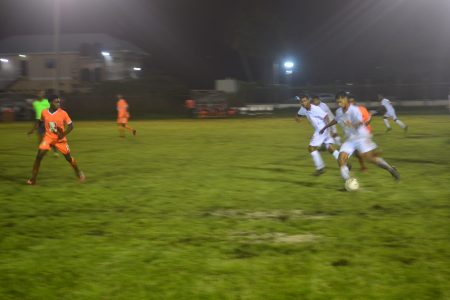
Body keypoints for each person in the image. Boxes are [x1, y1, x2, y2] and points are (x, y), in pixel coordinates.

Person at [319, 92, 400, 183]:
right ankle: (348, 182)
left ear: (345, 99)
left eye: (340, 101)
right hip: (350, 139)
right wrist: (325, 127)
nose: (339, 103)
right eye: (337, 102)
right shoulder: (339, 111)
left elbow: (360, 123)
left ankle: (390, 169)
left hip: (361, 137)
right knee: (341, 158)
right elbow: (336, 119)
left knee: (370, 159)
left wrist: (351, 124)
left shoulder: (354, 110)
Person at [27, 95, 85, 185]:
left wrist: (63, 134)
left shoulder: (63, 113)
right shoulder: (44, 112)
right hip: (48, 138)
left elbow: (71, 126)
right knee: (38, 156)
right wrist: (33, 130)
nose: (58, 103)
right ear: (50, 103)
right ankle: (33, 179)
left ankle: (78, 172)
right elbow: (40, 121)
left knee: (68, 158)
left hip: (60, 140)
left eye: (59, 102)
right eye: (56, 102)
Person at [296, 95, 340, 176]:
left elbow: (326, 116)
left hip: (321, 129)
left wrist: (328, 128)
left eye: (305, 101)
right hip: (323, 130)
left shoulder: (315, 109)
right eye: (301, 101)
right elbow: (299, 114)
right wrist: (298, 118)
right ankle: (345, 163)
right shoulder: (303, 108)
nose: (303, 103)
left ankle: (320, 168)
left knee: (311, 148)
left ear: (308, 100)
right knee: (330, 148)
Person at [27, 91, 59, 156]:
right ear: (37, 95)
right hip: (39, 121)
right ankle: (41, 152)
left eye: (41, 94)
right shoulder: (35, 103)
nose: (40, 95)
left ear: (43, 95)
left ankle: (55, 152)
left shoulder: (47, 102)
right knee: (40, 138)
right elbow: (37, 112)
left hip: (48, 120)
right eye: (39, 93)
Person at [348, 94, 372, 172]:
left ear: (354, 102)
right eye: (349, 102)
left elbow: (368, 120)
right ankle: (363, 166)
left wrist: (363, 126)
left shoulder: (361, 109)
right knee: (358, 152)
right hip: (358, 133)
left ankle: (364, 167)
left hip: (364, 133)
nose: (350, 103)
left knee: (358, 151)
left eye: (351, 102)